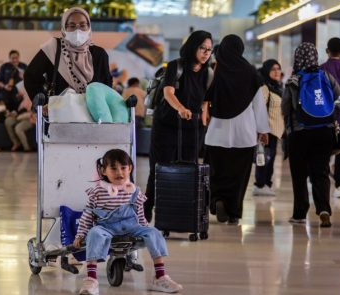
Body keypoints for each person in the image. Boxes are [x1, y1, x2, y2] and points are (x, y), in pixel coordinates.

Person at [73, 149, 183, 295]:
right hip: (106, 227)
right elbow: (87, 215)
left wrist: (145, 230)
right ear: (103, 171)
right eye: (113, 168)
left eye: (123, 168)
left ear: (130, 168)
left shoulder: (134, 191)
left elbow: (139, 214)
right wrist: (80, 235)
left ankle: (160, 276)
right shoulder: (98, 192)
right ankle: (91, 280)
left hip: (131, 227)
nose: (119, 172)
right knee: (94, 233)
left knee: (154, 232)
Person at [144, 30, 213, 222]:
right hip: (166, 124)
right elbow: (168, 92)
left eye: (209, 49)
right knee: (159, 166)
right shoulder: (176, 66)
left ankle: (179, 211)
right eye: (202, 48)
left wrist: (204, 121)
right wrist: (181, 108)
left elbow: (205, 101)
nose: (206, 53)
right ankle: (148, 206)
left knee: (189, 168)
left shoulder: (208, 73)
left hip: (192, 128)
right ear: (193, 47)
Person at [203, 34, 269, 225]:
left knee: (216, 172)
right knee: (239, 176)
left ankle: (217, 201)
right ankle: (233, 211)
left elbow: (205, 98)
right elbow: (258, 104)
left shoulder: (215, 70)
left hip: (217, 133)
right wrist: (262, 129)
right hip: (245, 133)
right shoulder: (250, 72)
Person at [282, 42, 340, 228]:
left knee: (299, 175)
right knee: (321, 173)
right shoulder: (326, 76)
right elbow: (338, 98)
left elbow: (286, 108)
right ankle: (324, 209)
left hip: (300, 134)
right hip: (324, 131)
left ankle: (300, 213)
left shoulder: (293, 80)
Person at [24, 7, 112, 100]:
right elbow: (30, 77)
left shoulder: (99, 54)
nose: (78, 30)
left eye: (82, 25)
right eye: (72, 26)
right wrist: (44, 102)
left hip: (91, 112)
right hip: (59, 111)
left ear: (89, 27)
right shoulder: (53, 49)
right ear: (64, 28)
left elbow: (106, 85)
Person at [320, 37, 340, 199]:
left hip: (323, 116)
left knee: (323, 150)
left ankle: (320, 179)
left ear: (327, 51)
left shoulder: (321, 69)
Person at [252, 59, 285, 196]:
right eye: (273, 69)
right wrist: (261, 130)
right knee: (264, 158)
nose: (277, 72)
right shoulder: (265, 88)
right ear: (266, 71)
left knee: (269, 158)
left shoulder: (278, 87)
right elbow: (258, 108)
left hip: (275, 131)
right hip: (266, 130)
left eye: (278, 68)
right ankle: (260, 185)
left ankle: (265, 184)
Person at [5, 81, 35, 152]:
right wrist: (13, 113)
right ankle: (16, 143)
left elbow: (31, 113)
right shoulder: (21, 97)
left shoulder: (33, 96)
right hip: (19, 116)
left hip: (29, 118)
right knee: (8, 121)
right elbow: (18, 109)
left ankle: (26, 148)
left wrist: (19, 116)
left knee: (18, 128)